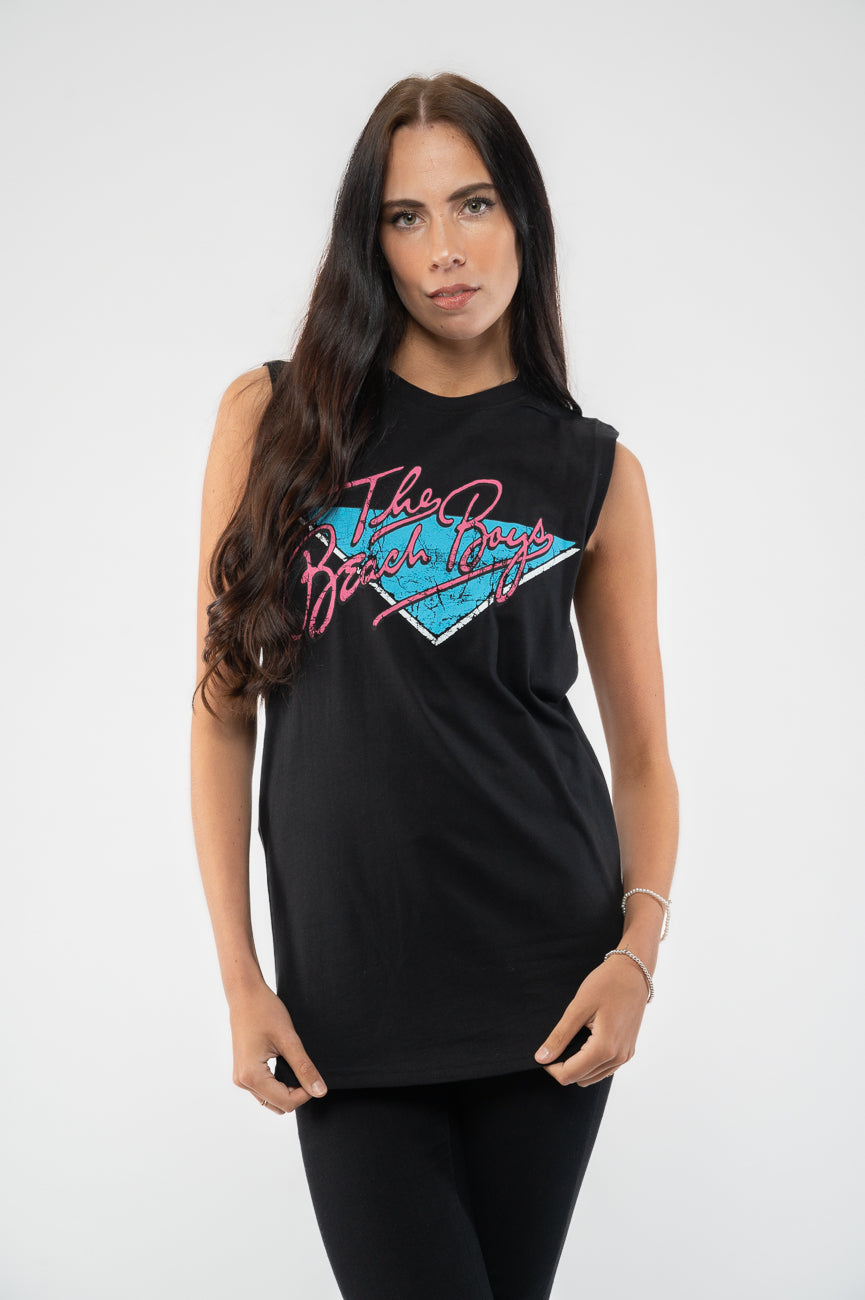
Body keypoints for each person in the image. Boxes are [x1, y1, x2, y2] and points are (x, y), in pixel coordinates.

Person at [191, 71, 678, 1300]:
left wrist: (634, 955)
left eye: (473, 205)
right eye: (405, 217)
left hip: (548, 983)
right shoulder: (274, 419)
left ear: (524, 218)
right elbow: (221, 713)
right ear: (372, 241)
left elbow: (641, 757)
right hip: (345, 999)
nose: (444, 249)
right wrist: (241, 978)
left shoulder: (594, 471)